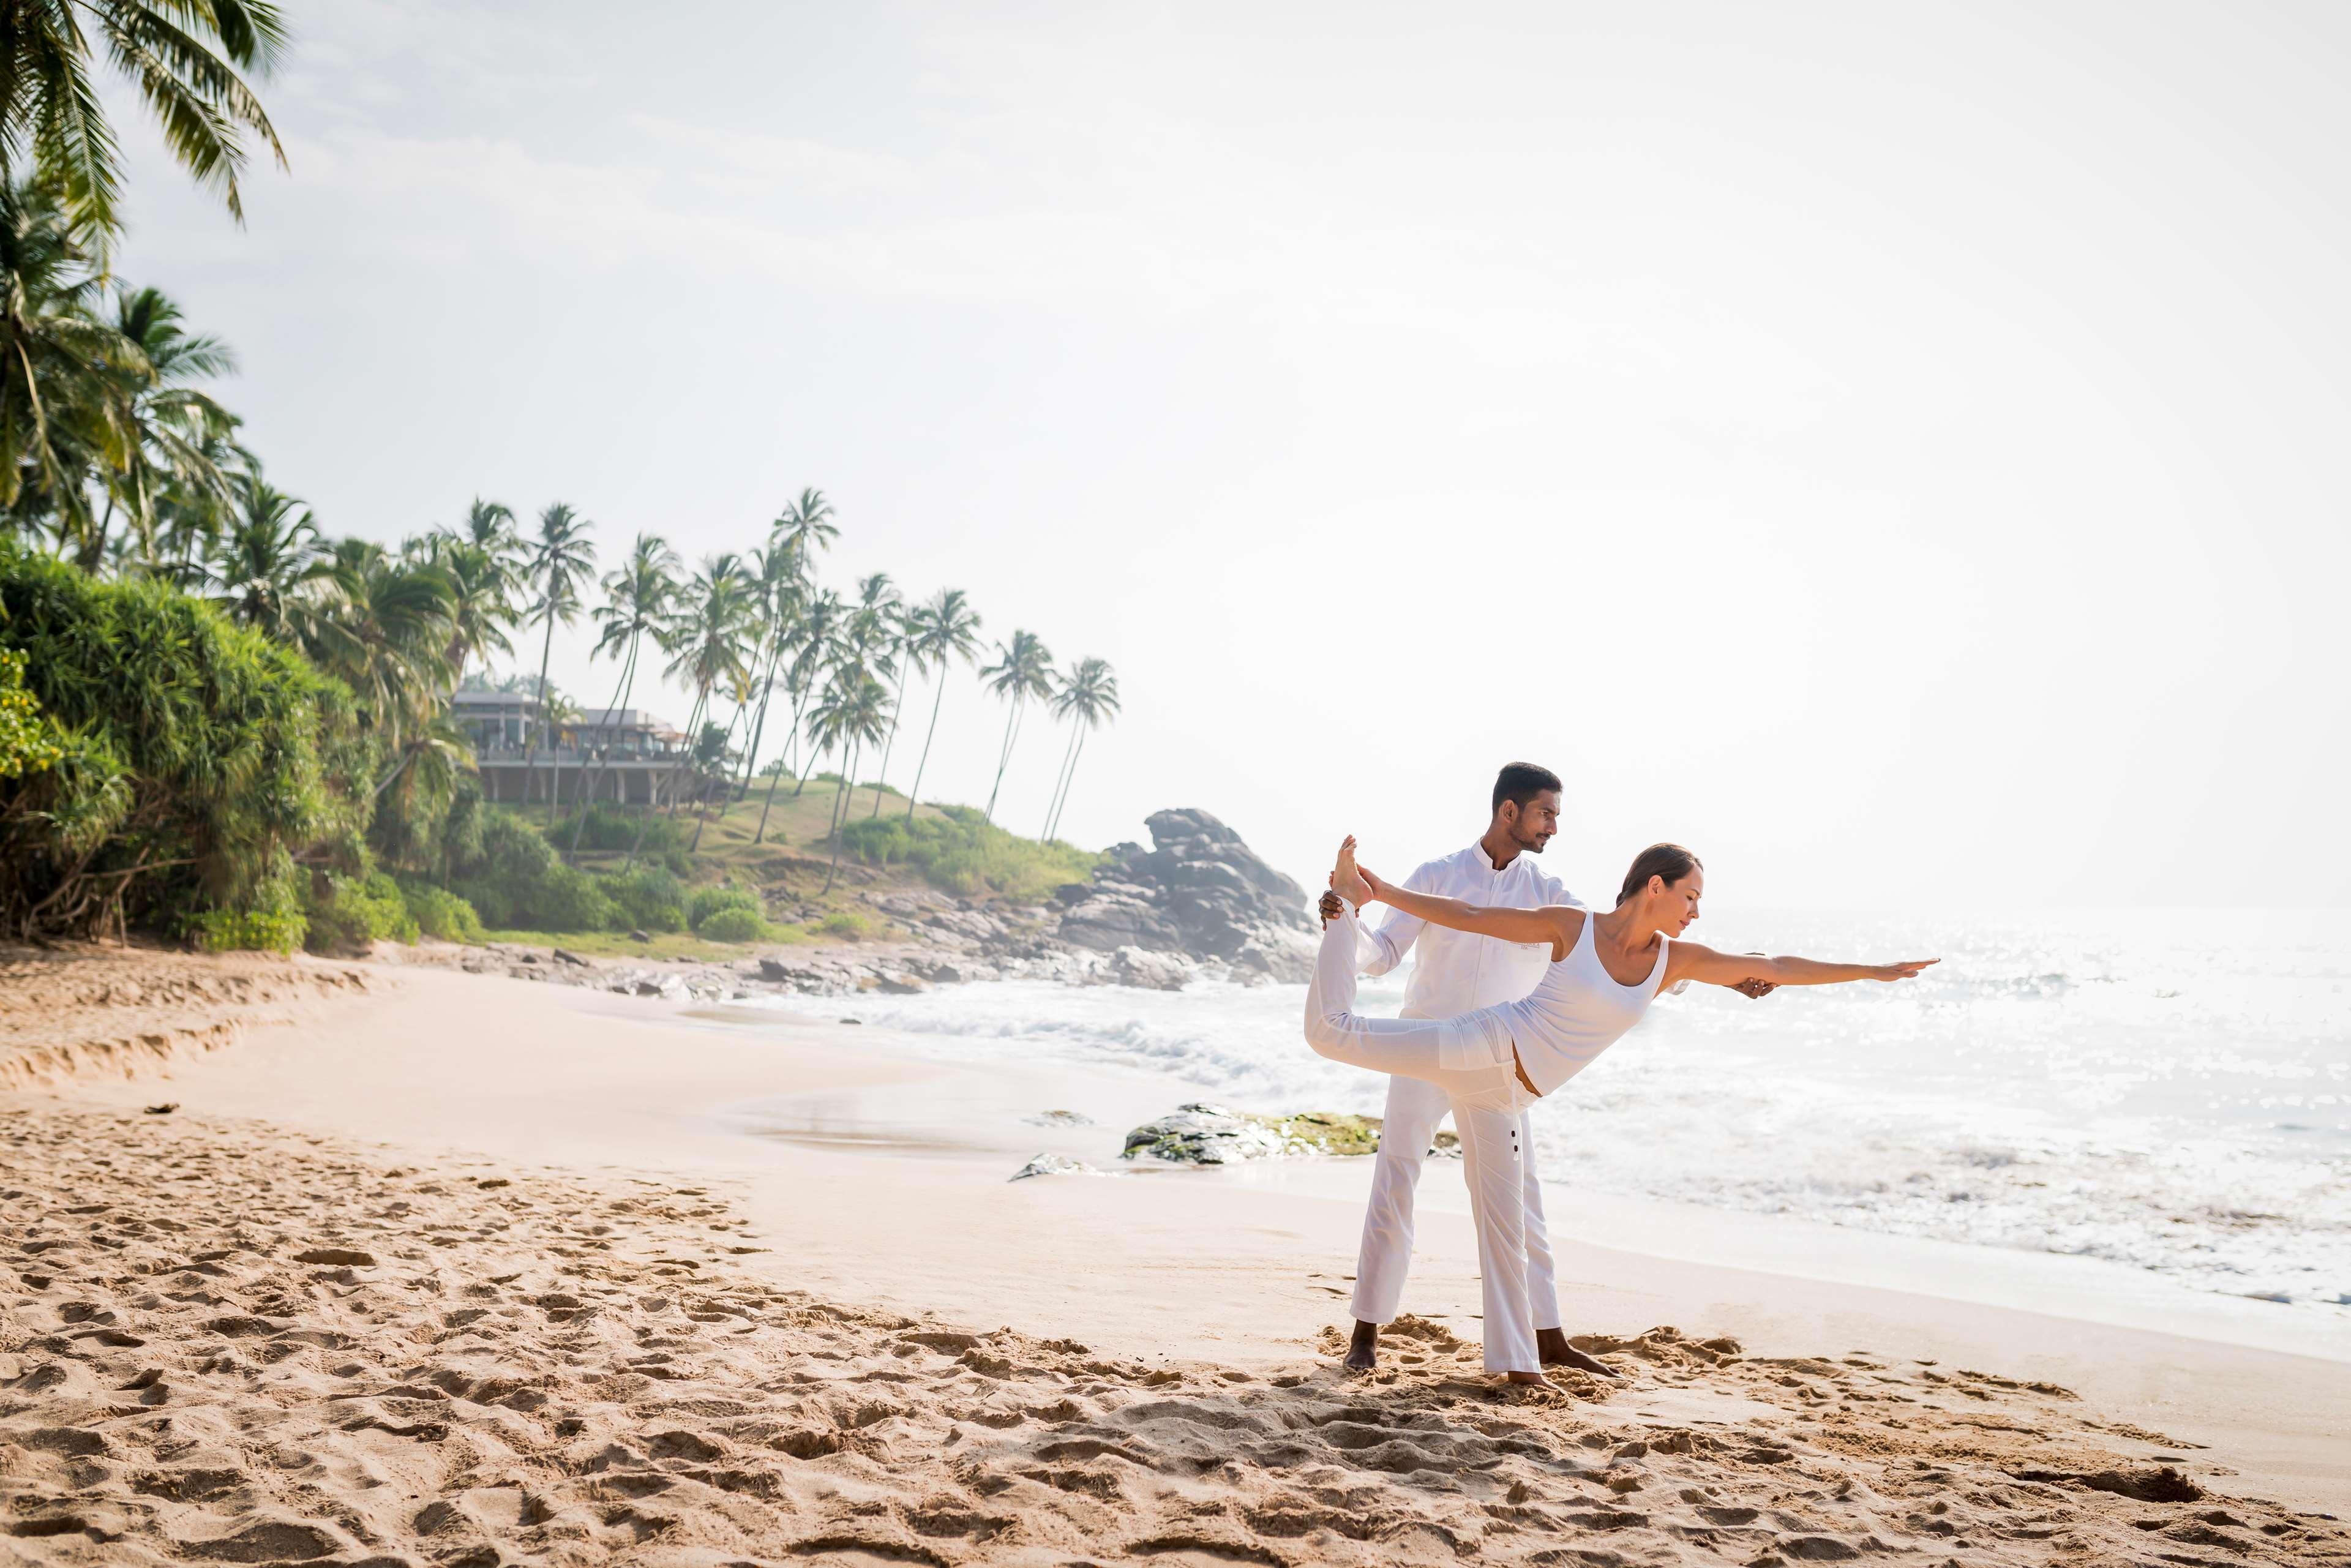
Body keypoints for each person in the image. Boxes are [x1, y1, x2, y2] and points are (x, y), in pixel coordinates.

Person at [1304, 836, 1935, 1382]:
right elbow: (1470, 914)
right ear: (1655, 886)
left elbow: (1772, 965)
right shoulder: (1573, 925)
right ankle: (1342, 910)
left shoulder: (1671, 962)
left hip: (1509, 1092)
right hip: (1481, 1045)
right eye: (1690, 896)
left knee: (1507, 1227)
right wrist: (1377, 890)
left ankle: (1518, 1362)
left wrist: (1874, 971)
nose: (1696, 910)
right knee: (1331, 1030)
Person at [1311, 763, 1777, 1378]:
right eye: (1545, 813)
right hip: (1428, 1046)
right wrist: (1346, 922)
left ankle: (1549, 1336)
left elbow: (1617, 952)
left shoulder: (1551, 892)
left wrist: (1727, 978)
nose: (1555, 826)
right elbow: (1382, 955)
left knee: (1521, 1203)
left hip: (1502, 1063)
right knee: (1395, 1181)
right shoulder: (1437, 876)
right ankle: (1366, 1332)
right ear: (1510, 811)